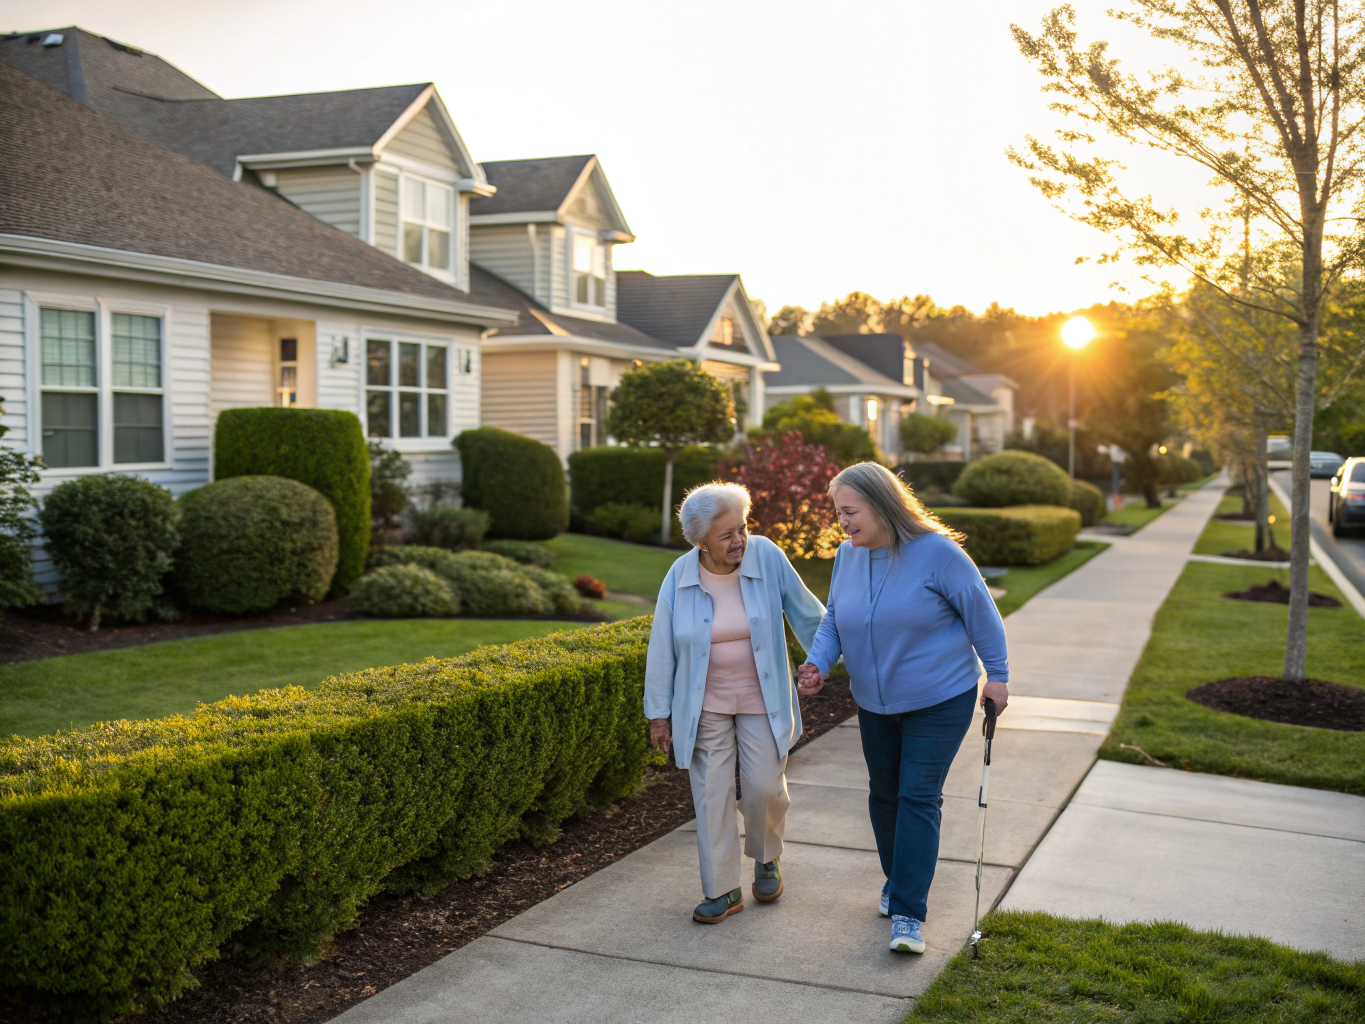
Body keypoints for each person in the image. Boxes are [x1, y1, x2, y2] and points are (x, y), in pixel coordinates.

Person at [797, 462, 1008, 955]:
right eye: (838, 512)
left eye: (850, 511)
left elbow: (982, 614)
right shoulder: (848, 557)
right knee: (884, 796)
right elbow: (833, 618)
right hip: (874, 702)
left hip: (940, 699)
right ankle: (899, 882)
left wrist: (997, 677)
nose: (842, 523)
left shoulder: (937, 553)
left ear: (882, 504)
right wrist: (818, 662)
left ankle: (909, 912)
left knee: (917, 797)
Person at [645, 481, 826, 924]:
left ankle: (767, 857)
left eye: (741, 528)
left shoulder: (766, 556)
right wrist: (658, 714)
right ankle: (723, 890)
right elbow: (662, 646)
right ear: (700, 541)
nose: (738, 540)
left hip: (762, 698)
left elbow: (807, 612)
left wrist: (823, 660)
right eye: (726, 535)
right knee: (712, 795)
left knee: (765, 786)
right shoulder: (680, 576)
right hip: (704, 704)